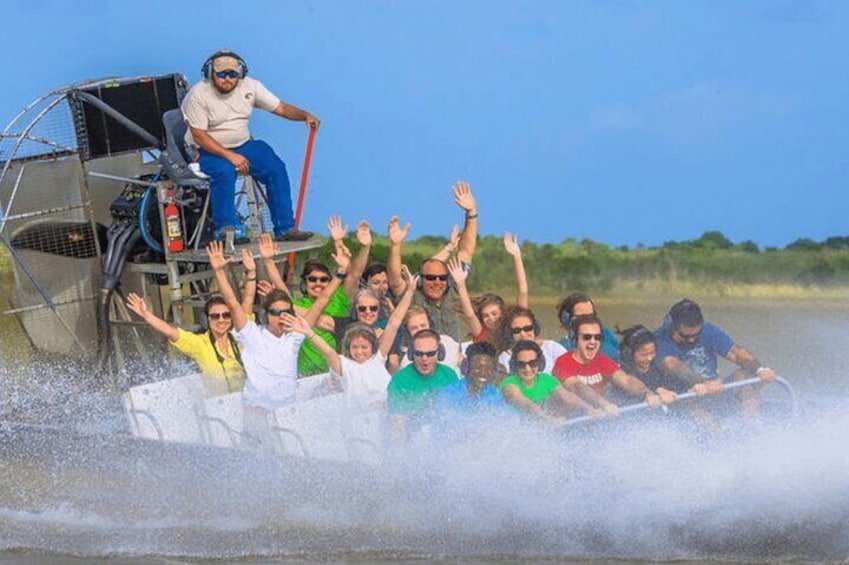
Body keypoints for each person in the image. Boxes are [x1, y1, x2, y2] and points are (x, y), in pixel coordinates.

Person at [207, 240, 348, 448]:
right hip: (258, 416)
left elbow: (322, 301)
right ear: (266, 314)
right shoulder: (252, 334)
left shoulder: (295, 336)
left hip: (287, 416)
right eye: (275, 312)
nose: (281, 316)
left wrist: (340, 273)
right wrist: (219, 271)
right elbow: (233, 303)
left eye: (286, 312)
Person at [182, 49, 318, 242]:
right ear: (210, 73)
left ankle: (285, 227)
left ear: (241, 74)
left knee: (275, 167)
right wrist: (230, 157)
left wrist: (304, 115)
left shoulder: (251, 87)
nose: (227, 79)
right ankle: (226, 228)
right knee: (225, 171)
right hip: (205, 150)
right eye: (221, 74)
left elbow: (280, 107)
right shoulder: (198, 95)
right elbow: (199, 136)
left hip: (243, 144)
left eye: (232, 74)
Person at [125, 248, 257, 396]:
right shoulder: (200, 345)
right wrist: (146, 315)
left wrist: (251, 273)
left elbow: (247, 301)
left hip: (247, 402)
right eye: (215, 316)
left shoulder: (240, 337)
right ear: (207, 320)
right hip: (220, 409)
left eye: (226, 315)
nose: (221, 320)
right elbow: (170, 331)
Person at [289, 266, 417, 418]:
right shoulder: (344, 362)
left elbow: (394, 323)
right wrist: (308, 332)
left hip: (382, 414)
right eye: (362, 308)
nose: (360, 351)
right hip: (354, 414)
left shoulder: (378, 356)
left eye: (373, 308)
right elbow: (328, 351)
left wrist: (409, 292)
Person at [386, 181, 479, 341]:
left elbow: (465, 251)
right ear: (421, 278)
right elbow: (395, 280)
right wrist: (395, 245)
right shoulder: (412, 296)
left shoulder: (454, 289)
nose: (437, 282)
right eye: (430, 278)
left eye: (442, 277)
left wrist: (471, 213)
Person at [654, 299, 776, 418]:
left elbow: (736, 353)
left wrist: (760, 369)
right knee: (690, 403)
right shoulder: (659, 339)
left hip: (715, 389)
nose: (691, 340)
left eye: (696, 335)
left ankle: (752, 423)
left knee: (743, 375)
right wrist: (704, 383)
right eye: (685, 336)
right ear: (671, 326)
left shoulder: (708, 330)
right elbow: (673, 365)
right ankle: (716, 431)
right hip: (684, 395)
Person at [553, 315, 675, 414]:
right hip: (573, 422)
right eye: (587, 337)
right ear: (575, 339)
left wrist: (647, 394)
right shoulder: (563, 362)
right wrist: (604, 403)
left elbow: (627, 380)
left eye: (597, 337)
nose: (593, 342)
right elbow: (577, 387)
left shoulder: (602, 360)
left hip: (600, 419)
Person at [447, 232, 529, 348]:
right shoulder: (481, 333)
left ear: (503, 313)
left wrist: (516, 256)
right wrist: (460, 284)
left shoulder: (515, 327)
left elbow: (523, 292)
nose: (491, 318)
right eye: (486, 316)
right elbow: (470, 314)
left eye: (494, 313)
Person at [386, 328, 460, 444]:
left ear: (440, 353)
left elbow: (456, 415)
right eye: (419, 354)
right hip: (413, 442)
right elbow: (397, 425)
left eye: (430, 354)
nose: (424, 359)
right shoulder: (399, 380)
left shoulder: (449, 375)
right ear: (411, 353)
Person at [498, 340, 598, 422]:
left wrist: (589, 409)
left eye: (532, 363)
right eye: (521, 364)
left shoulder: (545, 379)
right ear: (515, 365)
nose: (527, 369)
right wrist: (547, 419)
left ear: (540, 362)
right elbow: (527, 405)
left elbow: (567, 396)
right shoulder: (509, 384)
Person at [386, 305, 462, 374]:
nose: (420, 330)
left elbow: (462, 363)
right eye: (414, 328)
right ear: (407, 332)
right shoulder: (407, 360)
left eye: (423, 325)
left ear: (430, 325)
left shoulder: (448, 341)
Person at [434, 341, 507, 412]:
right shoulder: (449, 395)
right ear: (467, 367)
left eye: (488, 368)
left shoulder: (494, 395)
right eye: (477, 367)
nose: (483, 373)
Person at [496, 306, 567, 375]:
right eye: (516, 330)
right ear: (509, 333)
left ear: (535, 328)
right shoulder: (505, 358)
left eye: (527, 328)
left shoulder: (552, 348)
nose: (523, 334)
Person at [556, 292, 620, 361]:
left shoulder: (606, 334)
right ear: (566, 319)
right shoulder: (560, 349)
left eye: (590, 316)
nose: (588, 320)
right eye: (581, 317)